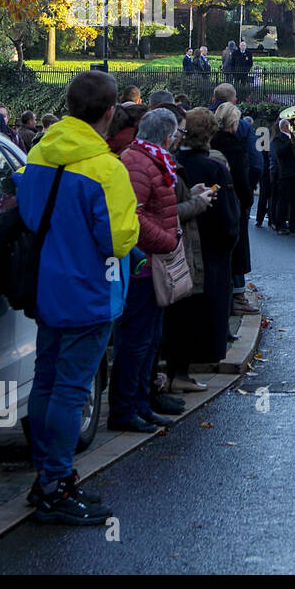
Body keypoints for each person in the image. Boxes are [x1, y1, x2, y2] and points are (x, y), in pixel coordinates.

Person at [18, 70, 138, 524]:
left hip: (48, 287)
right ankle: (57, 484)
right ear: (110, 113)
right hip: (91, 290)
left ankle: (45, 478)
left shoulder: (40, 154)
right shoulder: (106, 168)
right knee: (71, 390)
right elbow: (120, 239)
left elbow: (30, 216)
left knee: (45, 381)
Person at [108, 107, 181, 433]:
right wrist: (166, 239)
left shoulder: (150, 159)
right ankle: (124, 409)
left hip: (152, 264)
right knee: (135, 341)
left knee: (149, 340)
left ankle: (140, 404)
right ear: (167, 136)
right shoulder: (138, 162)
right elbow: (132, 216)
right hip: (141, 265)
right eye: (176, 134)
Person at [162, 108, 239, 380]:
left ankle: (178, 363)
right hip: (211, 248)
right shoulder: (215, 167)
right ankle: (199, 359)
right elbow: (230, 219)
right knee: (207, 307)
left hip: (176, 247)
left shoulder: (173, 162)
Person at [212, 102, 256, 311]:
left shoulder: (211, 142)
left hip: (214, 201)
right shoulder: (235, 146)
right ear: (234, 123)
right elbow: (241, 177)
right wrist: (247, 199)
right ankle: (238, 296)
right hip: (235, 201)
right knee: (237, 248)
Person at [271, 117, 295, 234]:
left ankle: (293, 224)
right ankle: (281, 224)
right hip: (286, 173)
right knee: (284, 200)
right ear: (286, 127)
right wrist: (291, 141)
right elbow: (280, 153)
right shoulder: (278, 139)